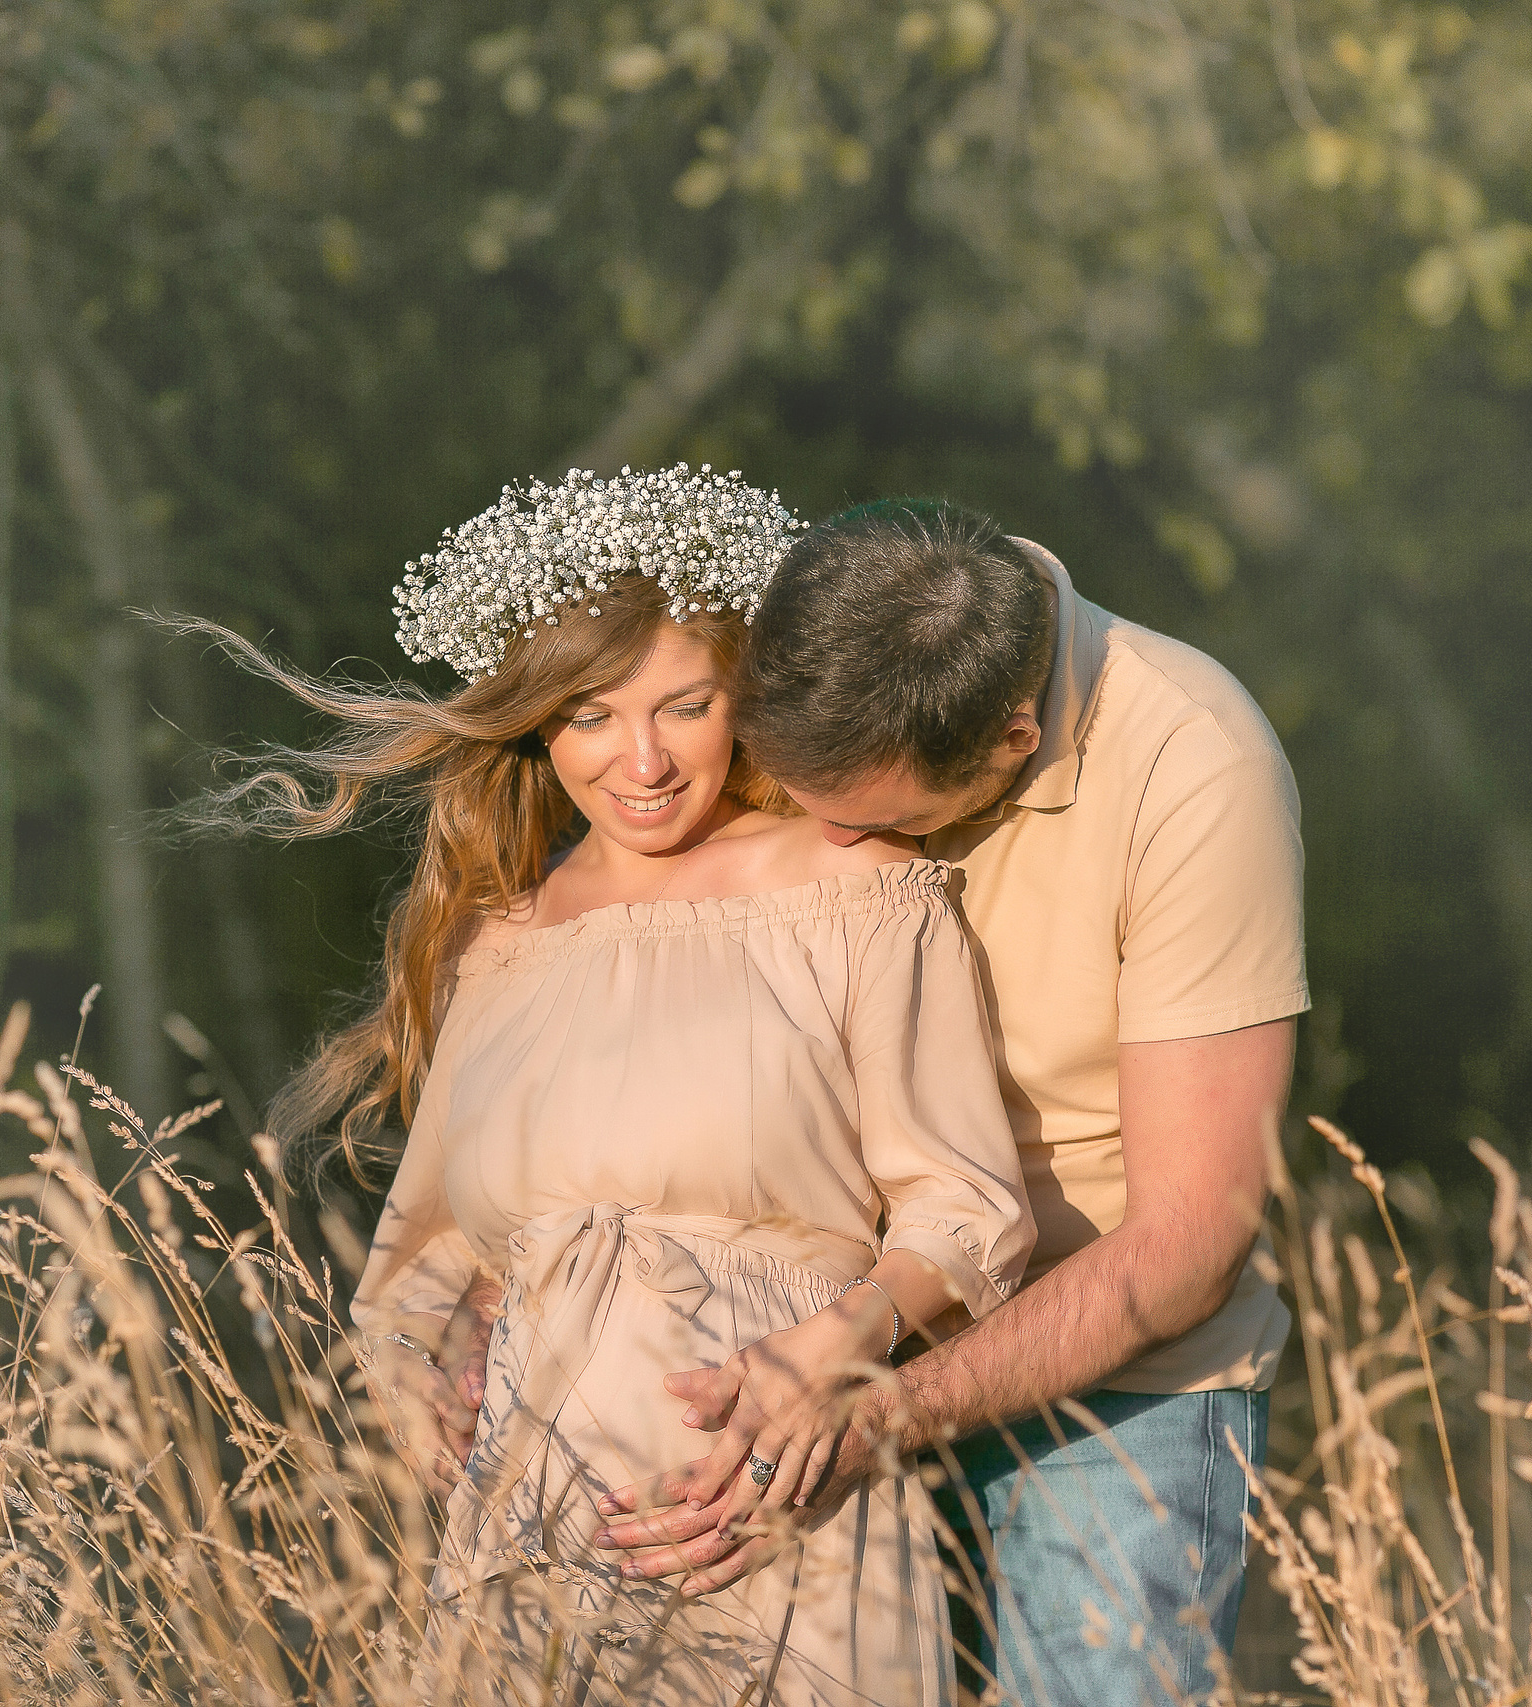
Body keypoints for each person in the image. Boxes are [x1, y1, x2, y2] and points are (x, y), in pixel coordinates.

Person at [194, 468, 1035, 1705]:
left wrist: (839, 1348)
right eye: (589, 716)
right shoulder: (497, 943)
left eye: (684, 707)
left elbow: (967, 1210)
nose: (641, 760)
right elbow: (425, 1261)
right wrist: (419, 1377)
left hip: (775, 1505)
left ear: (744, 698)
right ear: (537, 724)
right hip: (532, 1528)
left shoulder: (857, 888)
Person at [568, 500, 1309, 1705]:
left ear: (1013, 740)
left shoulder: (1193, 762)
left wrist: (879, 1414)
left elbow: (1187, 1242)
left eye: (872, 821)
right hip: (795, 1358)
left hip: (1110, 1401)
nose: (826, 844)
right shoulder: (826, 672)